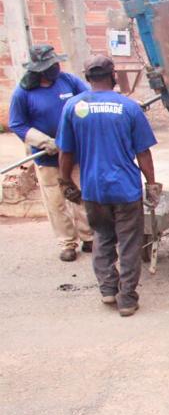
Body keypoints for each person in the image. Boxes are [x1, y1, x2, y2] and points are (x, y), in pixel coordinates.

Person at [56, 55, 160, 317]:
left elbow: (65, 151)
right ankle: (127, 299)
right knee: (129, 243)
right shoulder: (129, 107)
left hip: (94, 189)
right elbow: (143, 152)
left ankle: (108, 289)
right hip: (125, 189)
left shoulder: (73, 107)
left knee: (102, 237)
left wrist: (65, 181)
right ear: (113, 76)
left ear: (87, 77)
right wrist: (151, 183)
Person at [7, 44, 92, 262]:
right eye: (50, 66)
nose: (55, 68)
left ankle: (88, 236)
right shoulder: (23, 93)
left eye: (55, 64)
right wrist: (44, 141)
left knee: (81, 194)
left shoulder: (68, 81)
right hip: (47, 156)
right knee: (56, 200)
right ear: (38, 70)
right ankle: (67, 242)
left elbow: (90, 98)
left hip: (74, 152)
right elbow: (17, 124)